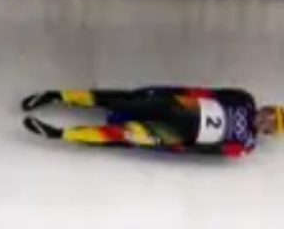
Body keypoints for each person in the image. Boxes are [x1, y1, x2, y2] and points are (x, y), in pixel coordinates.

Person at [21, 87, 283, 157]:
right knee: (121, 102)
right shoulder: (245, 99)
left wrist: (177, 147)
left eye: (271, 125)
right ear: (268, 108)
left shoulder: (246, 145)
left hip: (175, 133)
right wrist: (171, 92)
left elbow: (211, 150)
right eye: (270, 114)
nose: (266, 120)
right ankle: (57, 96)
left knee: (122, 133)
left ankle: (59, 133)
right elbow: (210, 93)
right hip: (178, 105)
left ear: (268, 132)